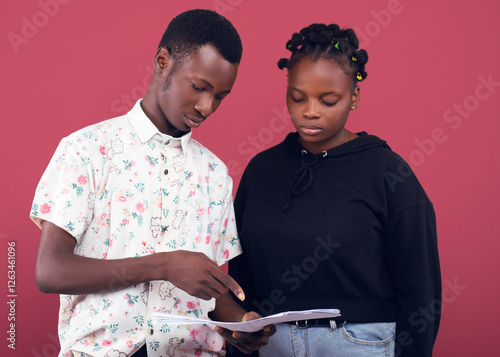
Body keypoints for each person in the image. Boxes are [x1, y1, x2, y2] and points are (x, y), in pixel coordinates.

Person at [30, 9, 273, 357]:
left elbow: (207, 286)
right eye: (199, 87)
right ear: (162, 61)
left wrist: (241, 323)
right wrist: (163, 265)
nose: (206, 106)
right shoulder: (87, 150)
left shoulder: (215, 174)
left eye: (220, 96)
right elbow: (49, 270)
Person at [227, 23, 442, 357]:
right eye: (298, 97)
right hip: (273, 345)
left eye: (328, 100)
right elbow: (239, 273)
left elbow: (421, 289)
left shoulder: (387, 173)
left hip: (360, 344)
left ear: (353, 97)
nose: (310, 111)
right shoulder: (261, 171)